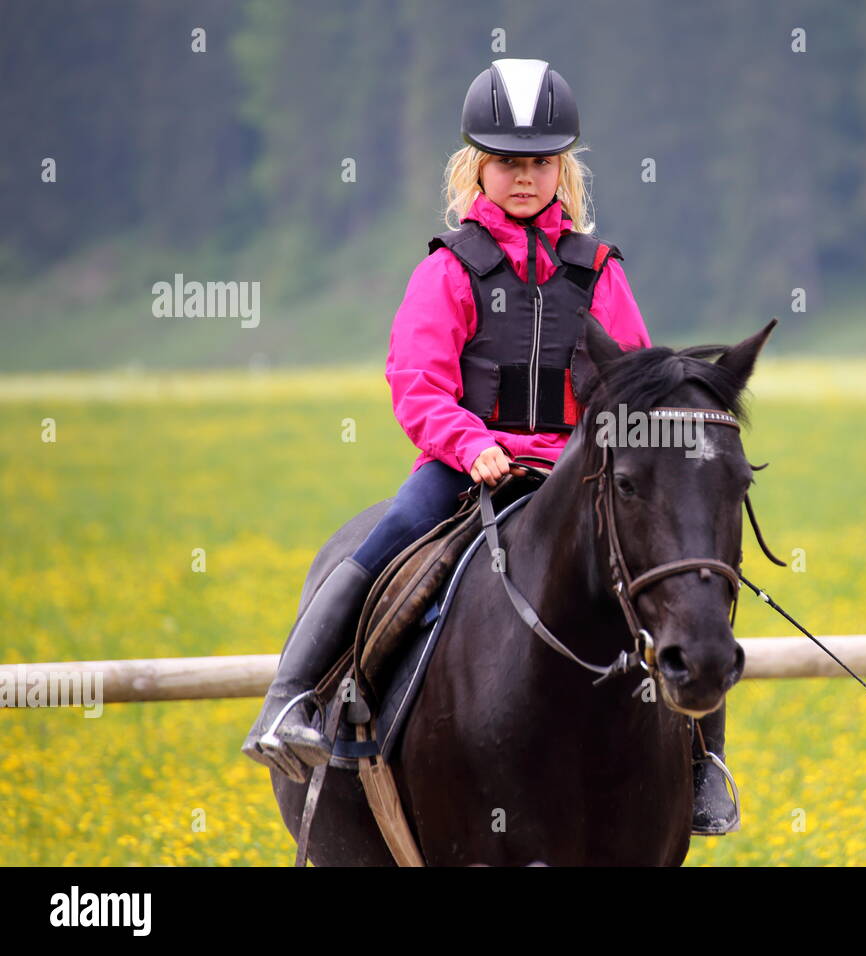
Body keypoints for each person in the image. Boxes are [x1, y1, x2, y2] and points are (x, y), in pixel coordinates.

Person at [241, 58, 740, 835]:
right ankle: (293, 700)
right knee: (391, 540)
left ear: (561, 168)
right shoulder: (449, 269)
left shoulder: (600, 272)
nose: (525, 177)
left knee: (679, 571)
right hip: (465, 467)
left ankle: (703, 763)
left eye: (540, 162)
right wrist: (469, 444)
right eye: (508, 162)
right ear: (479, 165)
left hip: (577, 473)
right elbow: (415, 381)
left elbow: (632, 380)